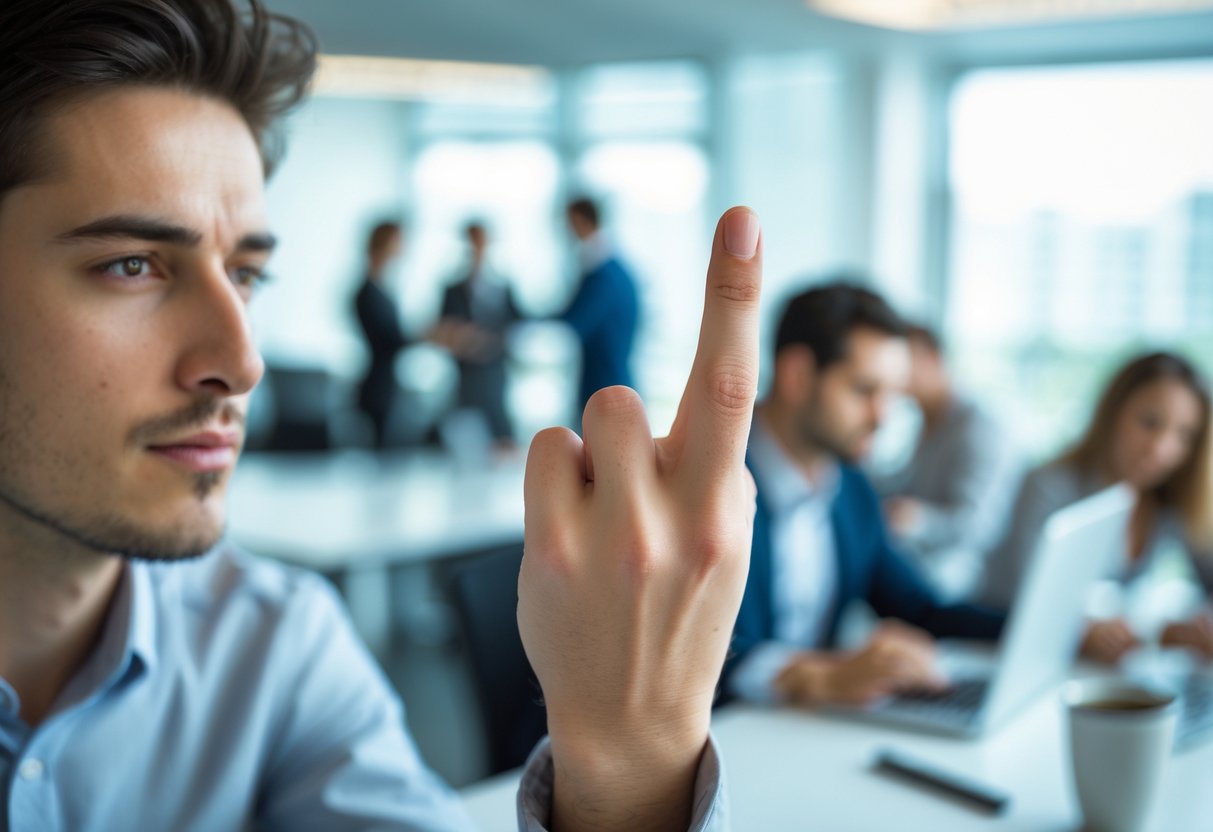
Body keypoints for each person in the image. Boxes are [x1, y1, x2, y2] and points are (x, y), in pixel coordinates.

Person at [0, 1, 766, 829]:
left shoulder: (275, 645)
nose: (243, 360)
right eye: (131, 265)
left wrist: (629, 769)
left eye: (247, 274)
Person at [725, 283, 1004, 708]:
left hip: (806, 735)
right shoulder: (712, 485)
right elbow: (691, 649)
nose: (883, 416)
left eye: (892, 394)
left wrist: (1057, 627)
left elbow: (920, 608)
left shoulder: (852, 490)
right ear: (798, 375)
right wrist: (815, 676)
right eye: (864, 390)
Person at [979, 352, 1213, 664]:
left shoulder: (1169, 499)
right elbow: (1033, 604)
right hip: (1000, 654)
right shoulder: (1050, 486)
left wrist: (1192, 632)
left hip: (1093, 669)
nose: (1160, 449)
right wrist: (1088, 632)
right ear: (1113, 413)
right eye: (1149, 423)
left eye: (1184, 435)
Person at [877, 324, 1021, 600]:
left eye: (905, 363)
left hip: (966, 578)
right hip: (927, 560)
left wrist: (918, 520)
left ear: (932, 359)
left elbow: (978, 527)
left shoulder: (977, 427)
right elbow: (908, 480)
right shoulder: (929, 419)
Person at [434, 221, 521, 445]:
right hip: (465, 373)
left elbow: (517, 325)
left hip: (494, 370)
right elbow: (442, 327)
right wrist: (458, 338)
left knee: (500, 430)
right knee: (463, 434)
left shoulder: (503, 286)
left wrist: (490, 342)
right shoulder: (452, 289)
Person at [561, 197, 640, 412]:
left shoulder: (604, 275)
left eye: (569, 222)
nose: (568, 229)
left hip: (606, 381)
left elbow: (576, 320)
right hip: (609, 377)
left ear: (581, 220)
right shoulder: (614, 268)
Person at [354, 220, 409, 447]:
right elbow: (387, 339)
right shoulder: (366, 291)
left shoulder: (382, 288)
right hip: (377, 386)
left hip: (388, 382)